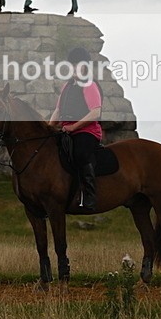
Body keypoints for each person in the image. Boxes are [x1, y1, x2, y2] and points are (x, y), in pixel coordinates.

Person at [49, 47, 102, 212]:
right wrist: (48, 129)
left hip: (87, 132)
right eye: (72, 65)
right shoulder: (67, 86)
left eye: (77, 65)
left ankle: (88, 197)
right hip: (67, 130)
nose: (73, 68)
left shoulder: (90, 85)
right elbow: (58, 111)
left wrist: (74, 126)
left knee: (80, 154)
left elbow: (95, 112)